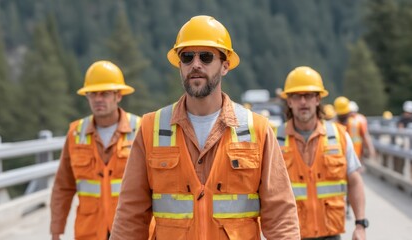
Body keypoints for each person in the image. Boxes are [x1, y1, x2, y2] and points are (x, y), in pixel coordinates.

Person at [110, 15, 300, 239]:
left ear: (225, 66)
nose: (196, 64)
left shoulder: (257, 130)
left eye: (206, 57)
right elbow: (130, 215)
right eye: (187, 57)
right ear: (180, 65)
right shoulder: (150, 128)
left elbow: (280, 215)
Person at [50, 60, 141, 240]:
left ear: (119, 95)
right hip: (90, 231)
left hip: (131, 229)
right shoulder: (76, 133)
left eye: (105, 93)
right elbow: (63, 186)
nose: (98, 99)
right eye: (93, 94)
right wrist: (56, 230)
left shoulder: (140, 129)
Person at [276, 66, 368, 240]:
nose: (303, 102)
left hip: (330, 234)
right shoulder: (274, 139)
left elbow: (355, 181)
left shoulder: (340, 135)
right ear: (289, 101)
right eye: (297, 96)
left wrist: (360, 225)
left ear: (318, 99)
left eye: (309, 95)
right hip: (290, 234)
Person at [334, 96, 376, 161]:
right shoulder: (359, 120)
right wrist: (370, 150)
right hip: (355, 153)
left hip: (344, 154)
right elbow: (365, 136)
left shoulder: (335, 123)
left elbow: (365, 136)